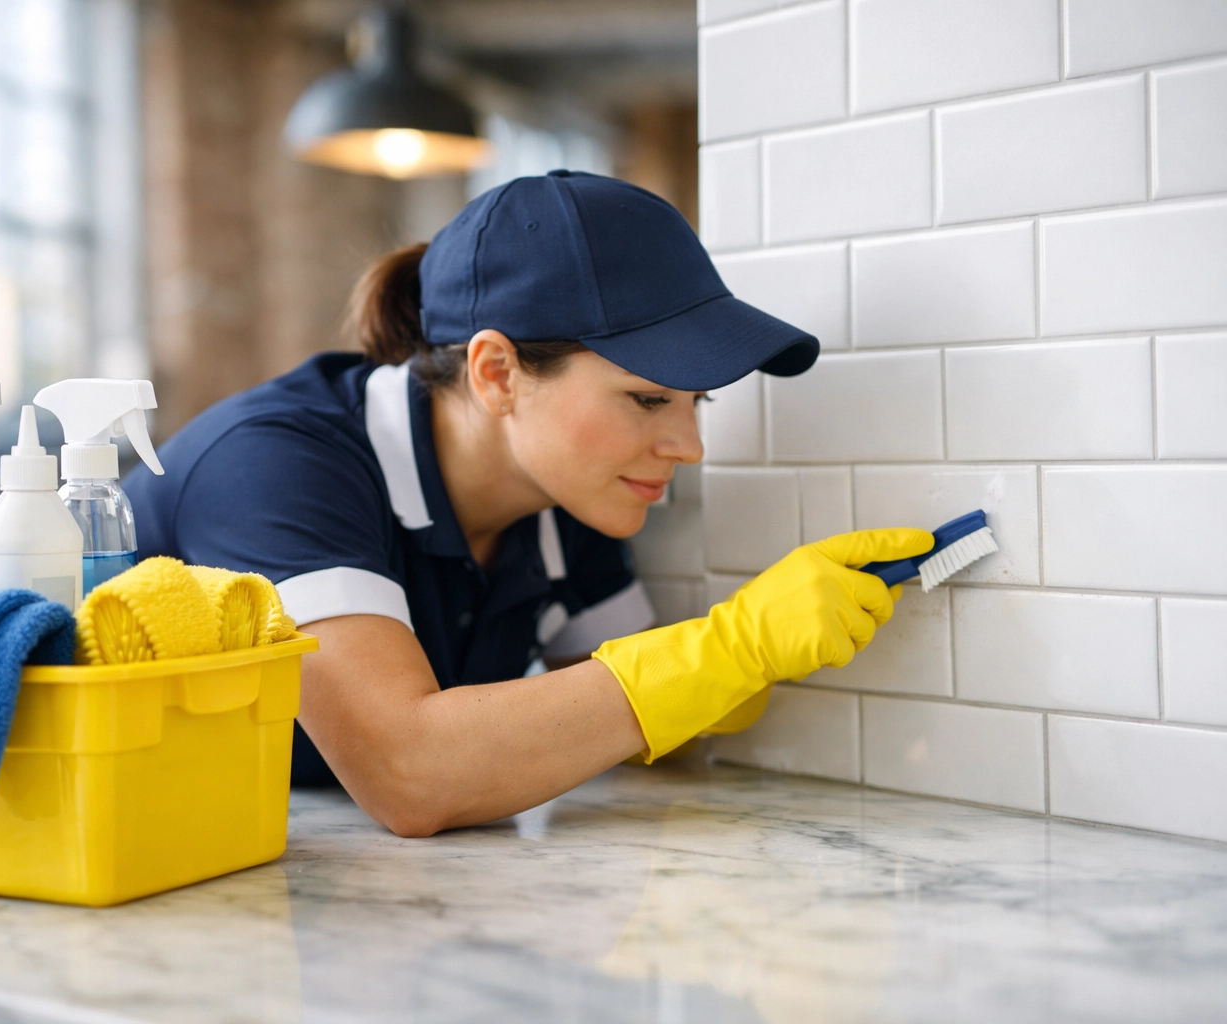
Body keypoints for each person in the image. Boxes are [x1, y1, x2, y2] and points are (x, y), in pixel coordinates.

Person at [126, 171, 931, 837]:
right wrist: (730, 649)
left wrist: (745, 666)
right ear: (497, 373)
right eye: (648, 400)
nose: (690, 448)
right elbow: (409, 771)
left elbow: (619, 723)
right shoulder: (277, 464)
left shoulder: (562, 496)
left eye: (698, 403)